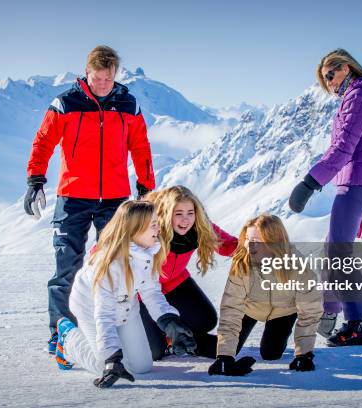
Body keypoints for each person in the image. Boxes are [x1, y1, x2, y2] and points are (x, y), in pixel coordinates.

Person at [24, 45, 155, 353]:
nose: (102, 85)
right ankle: (62, 335)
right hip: (73, 197)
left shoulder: (128, 104)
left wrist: (146, 186)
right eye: (97, 79)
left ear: (115, 75)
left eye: (108, 79)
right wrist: (35, 180)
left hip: (114, 198)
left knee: (118, 265)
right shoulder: (66, 103)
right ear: (87, 73)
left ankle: (118, 330)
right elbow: (43, 141)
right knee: (66, 266)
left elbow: (141, 145)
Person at [289, 48, 362, 346]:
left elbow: (343, 148)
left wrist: (309, 183)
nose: (330, 84)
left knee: (338, 253)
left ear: (346, 68)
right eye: (325, 81)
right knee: (333, 247)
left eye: (331, 76)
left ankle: (360, 321)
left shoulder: (358, 97)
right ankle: (329, 311)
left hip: (357, 181)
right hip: (359, 181)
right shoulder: (358, 94)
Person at [56, 200, 196, 388]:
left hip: (125, 307)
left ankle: (106, 347)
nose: (159, 229)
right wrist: (112, 357)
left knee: (142, 367)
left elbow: (151, 292)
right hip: (90, 307)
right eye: (153, 225)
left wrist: (169, 321)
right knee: (104, 365)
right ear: (135, 230)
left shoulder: (148, 253)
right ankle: (68, 339)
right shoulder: (109, 264)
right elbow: (103, 313)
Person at [209, 214, 323, 376]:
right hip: (250, 308)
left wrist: (304, 354)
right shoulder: (242, 264)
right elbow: (231, 308)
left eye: (258, 239)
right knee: (222, 349)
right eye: (248, 239)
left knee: (271, 354)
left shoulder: (298, 266)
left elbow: (310, 313)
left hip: (283, 311)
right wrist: (225, 356)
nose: (250, 245)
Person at [139, 186, 238, 359]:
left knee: (206, 320)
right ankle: (162, 337)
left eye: (190, 212)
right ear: (166, 212)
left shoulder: (200, 226)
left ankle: (183, 340)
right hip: (142, 292)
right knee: (154, 352)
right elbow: (115, 243)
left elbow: (228, 245)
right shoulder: (149, 227)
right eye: (178, 214)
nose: (185, 220)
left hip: (175, 282)